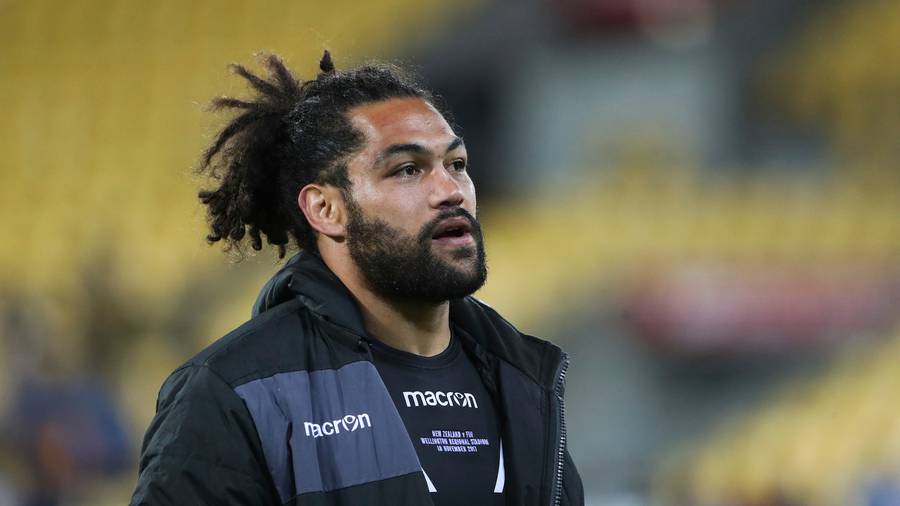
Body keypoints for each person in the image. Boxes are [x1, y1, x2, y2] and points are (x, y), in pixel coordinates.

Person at [130, 51, 583, 506]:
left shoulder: (527, 380)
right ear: (326, 209)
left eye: (457, 165)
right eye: (407, 170)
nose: (450, 191)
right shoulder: (233, 391)